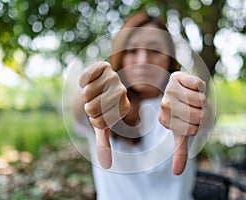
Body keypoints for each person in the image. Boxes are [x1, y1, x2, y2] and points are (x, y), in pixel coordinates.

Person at [71, 12, 210, 200]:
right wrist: (91, 91)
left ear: (170, 59)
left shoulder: (181, 105)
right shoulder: (104, 106)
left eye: (155, 51)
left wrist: (194, 99)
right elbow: (78, 109)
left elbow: (207, 115)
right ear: (120, 57)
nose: (143, 60)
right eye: (132, 50)